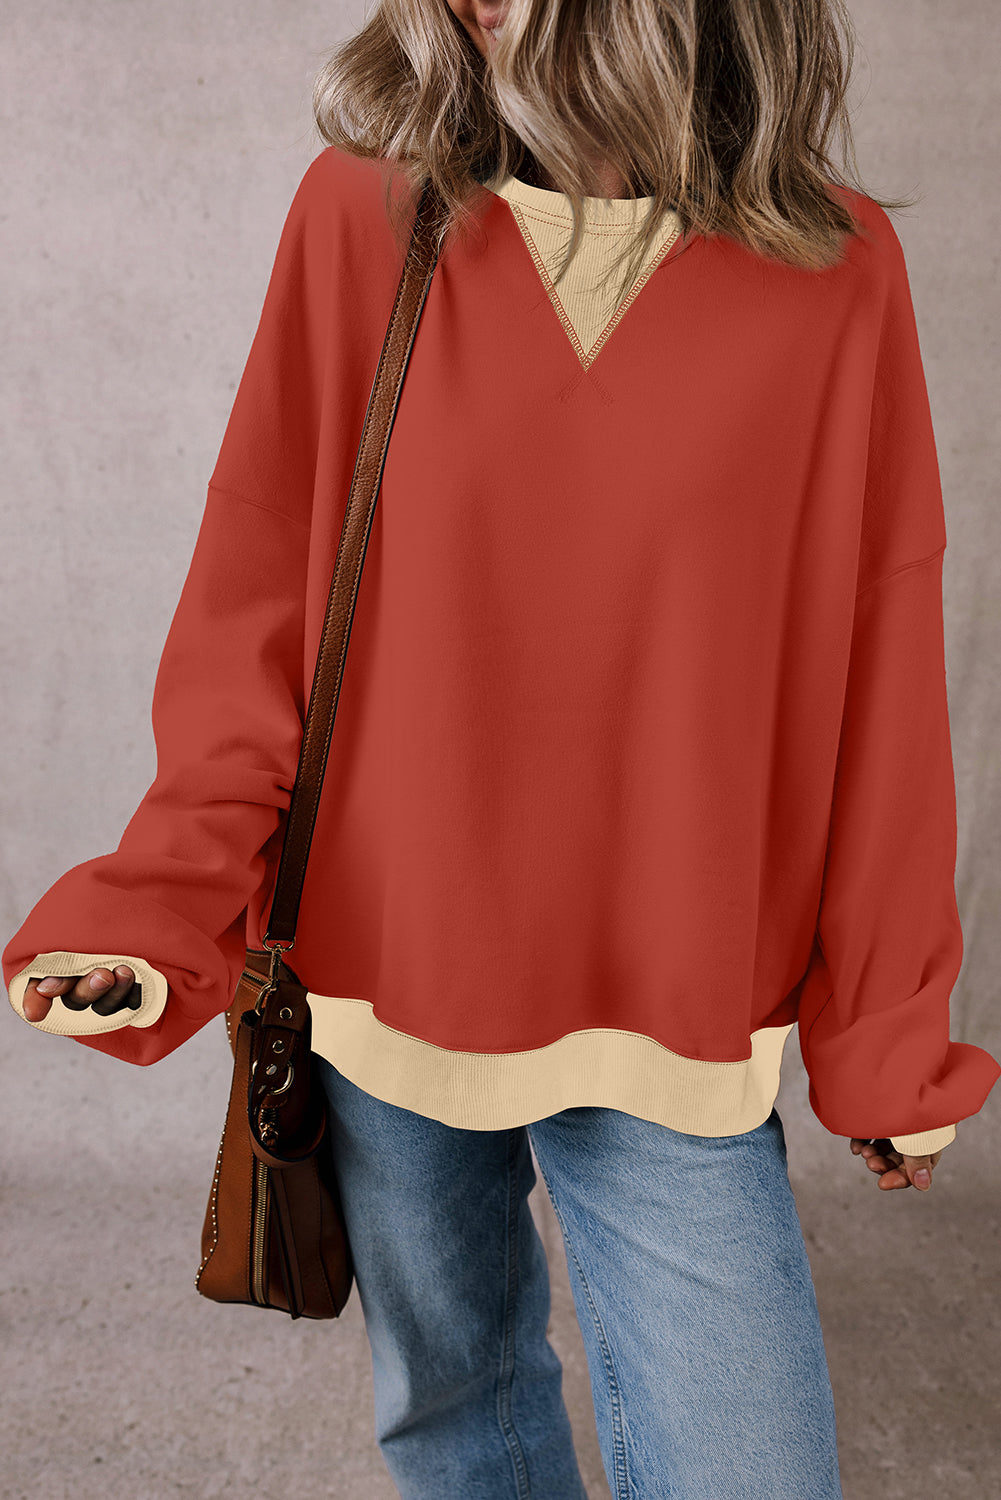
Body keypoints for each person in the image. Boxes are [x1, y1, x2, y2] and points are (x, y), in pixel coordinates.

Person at [6, 1, 1000, 1496]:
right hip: (386, 978)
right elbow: (258, 608)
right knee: (457, 1417)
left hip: (673, 999)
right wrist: (157, 903)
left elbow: (879, 678)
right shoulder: (361, 219)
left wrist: (885, 1037)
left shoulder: (836, 271)